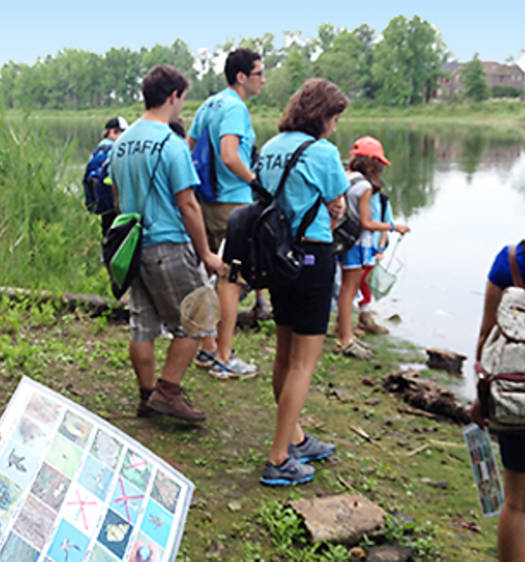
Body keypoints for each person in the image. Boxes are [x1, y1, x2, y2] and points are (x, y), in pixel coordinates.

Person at [109, 64, 224, 422]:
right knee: (199, 317)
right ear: (173, 96)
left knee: (141, 324)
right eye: (182, 99)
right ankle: (168, 392)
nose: (181, 106)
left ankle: (146, 396)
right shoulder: (171, 144)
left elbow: (116, 202)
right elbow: (188, 203)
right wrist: (205, 252)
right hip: (167, 244)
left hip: (132, 247)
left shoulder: (120, 144)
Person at [255, 78, 350, 485]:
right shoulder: (323, 152)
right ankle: (279, 457)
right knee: (304, 363)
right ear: (321, 115)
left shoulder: (272, 147)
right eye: (334, 117)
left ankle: (293, 436)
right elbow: (338, 206)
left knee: (284, 352)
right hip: (313, 257)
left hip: (279, 257)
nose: (335, 126)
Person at [471, 174, 525, 562]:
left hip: (524, 395)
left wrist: (481, 398)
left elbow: (488, 337)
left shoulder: (512, 258)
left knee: (522, 506)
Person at [187, 47, 266, 379]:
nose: (264, 79)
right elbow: (231, 156)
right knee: (232, 281)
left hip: (205, 201)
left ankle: (207, 349)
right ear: (241, 77)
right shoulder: (234, 108)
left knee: (207, 276)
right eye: (259, 73)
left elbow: (189, 147)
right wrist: (257, 182)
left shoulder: (209, 104)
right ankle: (224, 355)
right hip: (233, 203)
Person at [335, 136, 410, 358]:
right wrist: (395, 227)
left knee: (345, 290)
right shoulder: (365, 186)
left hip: (343, 240)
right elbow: (367, 222)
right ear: (373, 163)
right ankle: (345, 338)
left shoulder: (346, 178)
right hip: (359, 243)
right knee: (349, 290)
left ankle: (344, 331)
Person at [355, 184, 394, 335]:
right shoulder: (356, 195)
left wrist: (381, 249)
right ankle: (355, 318)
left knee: (366, 283)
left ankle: (365, 316)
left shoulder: (383, 201)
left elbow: (386, 225)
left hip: (372, 248)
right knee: (352, 283)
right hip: (355, 245)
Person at [83, 116, 128, 236]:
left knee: (107, 234)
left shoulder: (96, 151)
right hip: (117, 203)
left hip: (102, 204)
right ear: (112, 132)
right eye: (123, 132)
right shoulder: (117, 150)